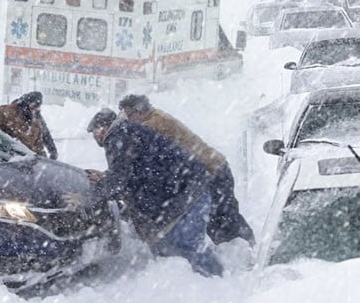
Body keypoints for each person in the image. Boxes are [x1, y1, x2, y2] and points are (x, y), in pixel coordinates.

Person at [84, 108, 223, 277]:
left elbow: (120, 180)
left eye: (94, 133)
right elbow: (129, 173)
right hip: (181, 193)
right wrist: (107, 178)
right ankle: (190, 283)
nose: (95, 138)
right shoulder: (126, 133)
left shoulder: (119, 137)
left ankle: (218, 281)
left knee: (187, 244)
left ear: (102, 128)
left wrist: (87, 198)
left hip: (188, 193)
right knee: (166, 248)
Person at [118, 94, 255, 246]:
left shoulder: (154, 123)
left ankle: (248, 248)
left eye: (128, 115)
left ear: (139, 111)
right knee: (218, 216)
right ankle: (240, 249)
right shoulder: (155, 118)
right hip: (210, 169)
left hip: (212, 170)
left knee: (224, 217)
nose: (127, 121)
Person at [0, 91, 58, 159]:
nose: (34, 110)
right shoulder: (7, 112)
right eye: (33, 107)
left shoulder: (36, 119)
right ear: (26, 104)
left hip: (26, 161)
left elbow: (42, 138)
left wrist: (46, 157)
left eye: (37, 108)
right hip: (5, 157)